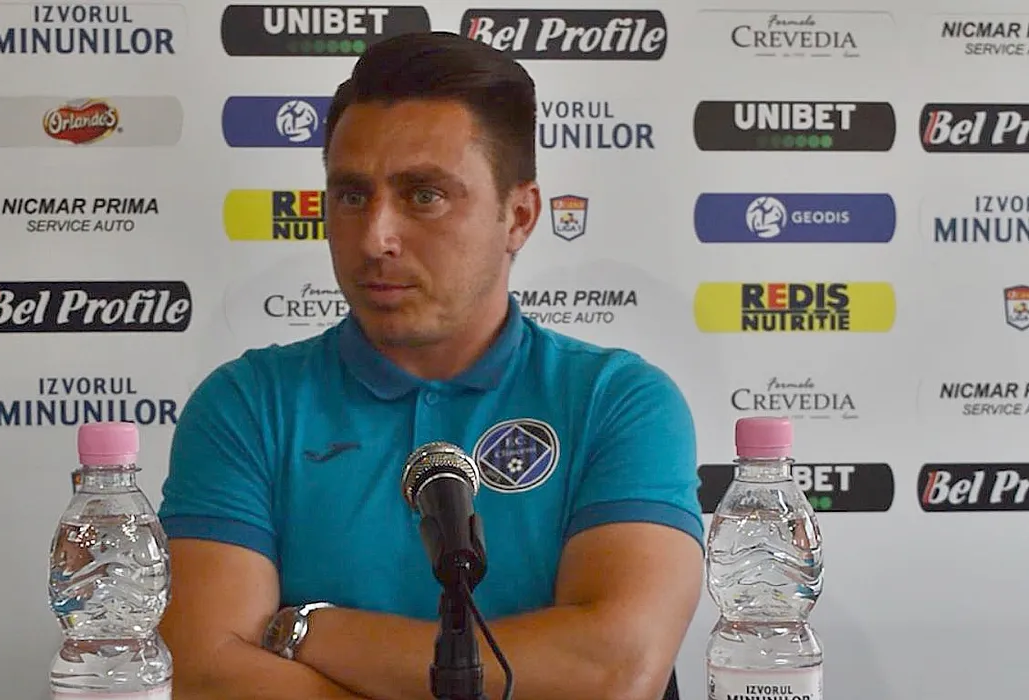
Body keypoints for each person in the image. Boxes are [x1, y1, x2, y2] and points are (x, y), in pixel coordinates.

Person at [156, 31, 703, 700]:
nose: (375, 237)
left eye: (424, 196)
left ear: (519, 216)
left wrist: (304, 631)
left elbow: (610, 671)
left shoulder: (616, 401)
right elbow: (205, 673)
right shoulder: (246, 404)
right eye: (351, 196)